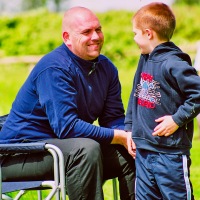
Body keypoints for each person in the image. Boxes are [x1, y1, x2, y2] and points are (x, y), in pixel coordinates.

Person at [0, 6, 135, 200]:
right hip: (18, 154)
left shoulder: (107, 68)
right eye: (86, 32)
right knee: (85, 150)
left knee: (131, 151)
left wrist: (128, 137)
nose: (95, 36)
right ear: (67, 38)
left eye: (98, 29)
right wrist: (117, 135)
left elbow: (113, 119)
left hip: (60, 149)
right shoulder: (54, 68)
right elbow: (67, 127)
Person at [124, 2, 200, 200]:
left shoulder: (174, 63)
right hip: (144, 151)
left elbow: (197, 94)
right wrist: (130, 128)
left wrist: (176, 120)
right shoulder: (145, 58)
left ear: (148, 33)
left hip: (170, 154)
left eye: (135, 33)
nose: (134, 38)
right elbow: (136, 94)